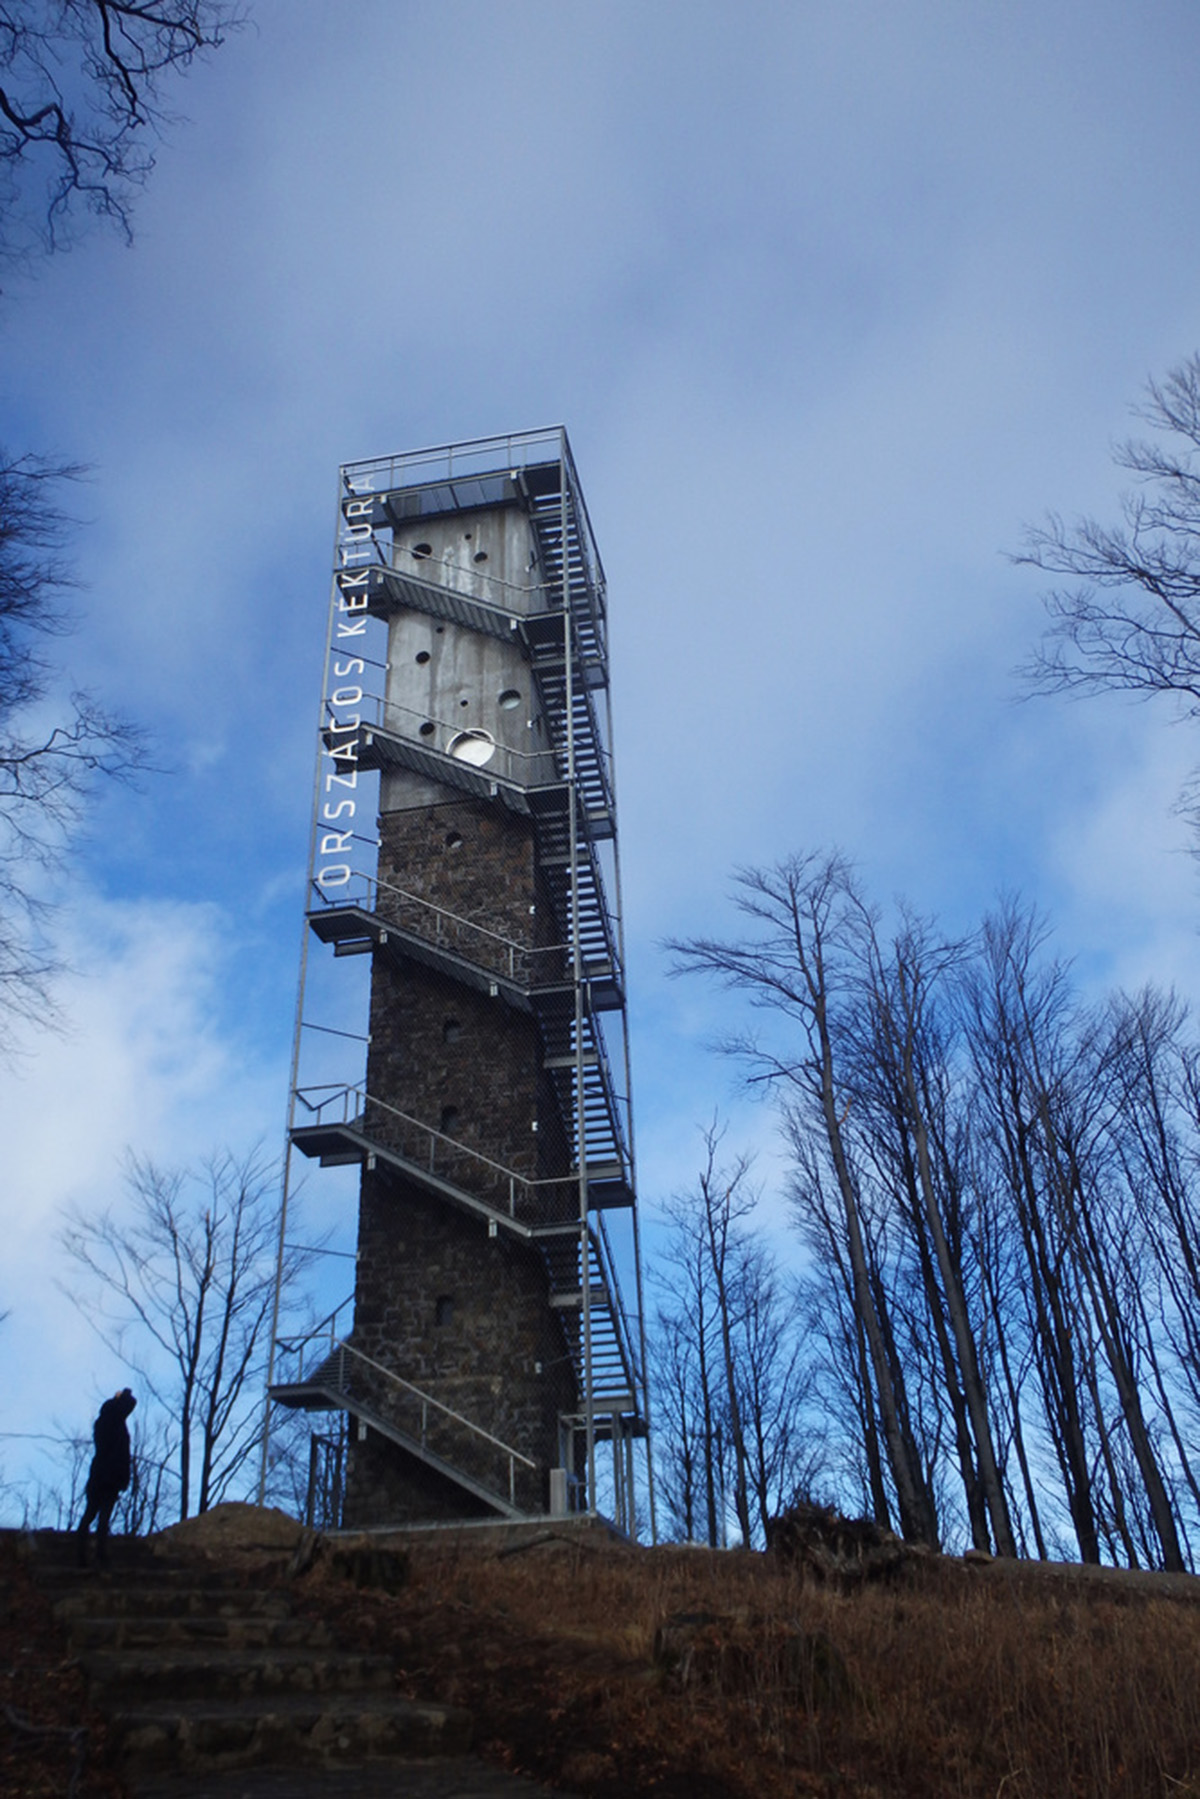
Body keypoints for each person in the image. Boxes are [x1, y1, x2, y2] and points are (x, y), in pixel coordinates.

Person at [76, 1387, 137, 1567]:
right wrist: (122, 1396)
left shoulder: (102, 1422)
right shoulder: (115, 1422)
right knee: (102, 1516)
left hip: (98, 1474)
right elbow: (130, 1403)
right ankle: (100, 1555)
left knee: (91, 1514)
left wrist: (117, 1398)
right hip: (109, 1476)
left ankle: (83, 1555)